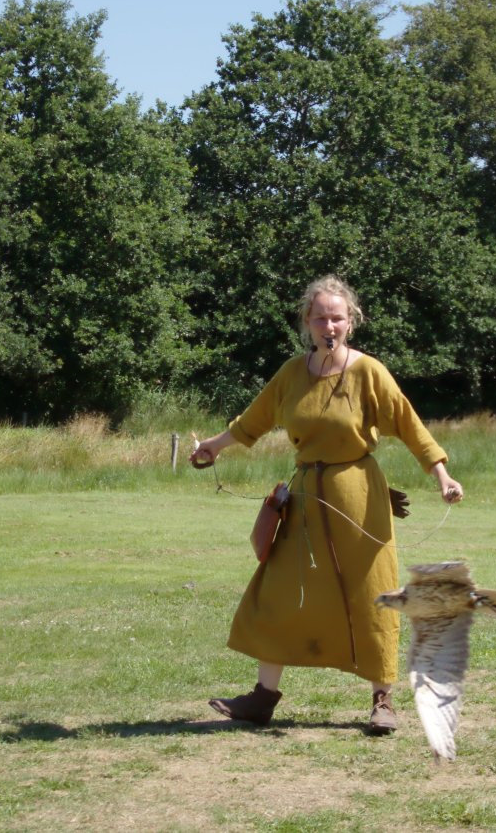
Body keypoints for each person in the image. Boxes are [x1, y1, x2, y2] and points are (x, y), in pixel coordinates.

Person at [190, 275, 464, 734]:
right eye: (320, 317)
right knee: (279, 587)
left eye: (337, 317)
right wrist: (214, 447)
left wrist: (442, 473)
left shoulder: (368, 371)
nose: (328, 325)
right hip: (305, 496)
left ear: (350, 322)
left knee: (370, 591)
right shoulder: (292, 374)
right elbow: (253, 420)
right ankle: (262, 697)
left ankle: (383, 700)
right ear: (307, 323)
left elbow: (410, 425)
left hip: (357, 495)